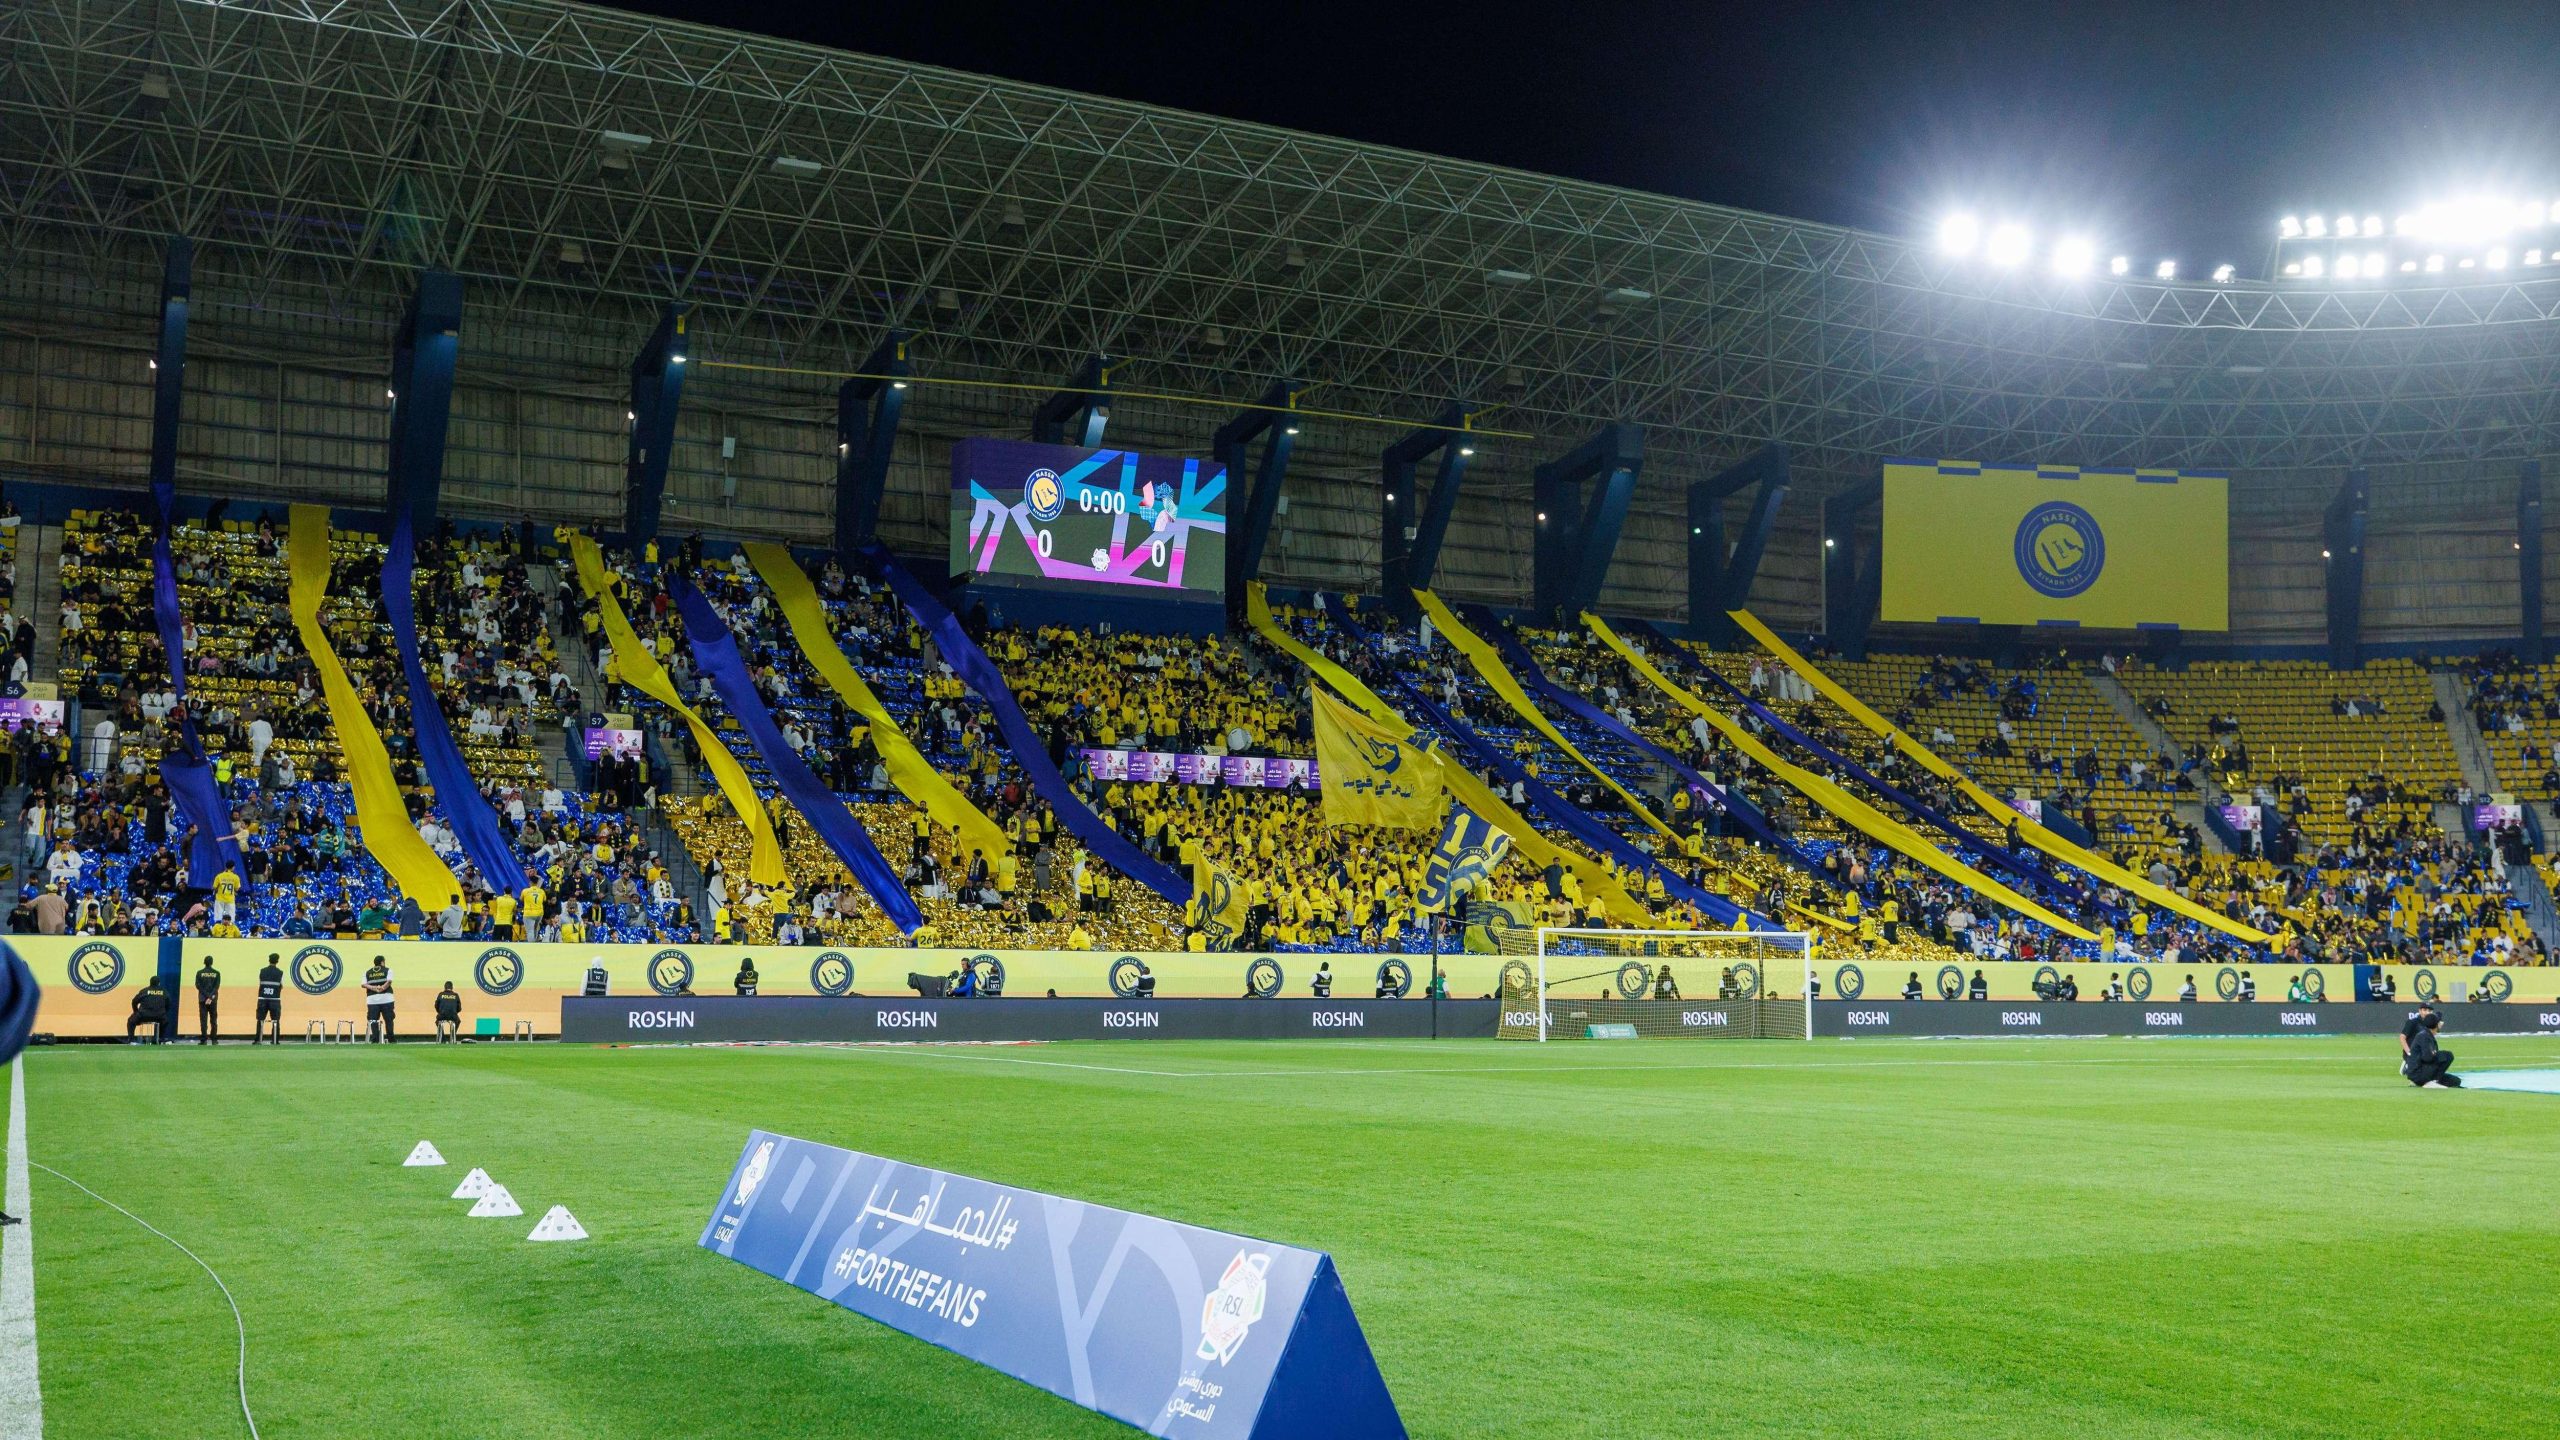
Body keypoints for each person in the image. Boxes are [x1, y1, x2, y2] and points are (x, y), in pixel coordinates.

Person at [2404, 1010, 2461, 1088]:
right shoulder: (2424, 1036)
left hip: (2420, 1071)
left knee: (2456, 1081)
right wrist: (2436, 1054)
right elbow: (2427, 1057)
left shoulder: (2426, 1034)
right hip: (2418, 1073)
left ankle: (2429, 1081)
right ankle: (2432, 1081)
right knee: (2448, 1055)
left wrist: (2434, 1054)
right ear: (2436, 1024)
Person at [362, 955, 395, 1043]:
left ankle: (375, 1040)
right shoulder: (388, 970)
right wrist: (382, 988)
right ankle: (391, 1040)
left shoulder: (367, 972)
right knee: (389, 1020)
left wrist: (374, 988)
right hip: (387, 999)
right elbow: (389, 981)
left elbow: (363, 984)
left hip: (372, 1000)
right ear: (382, 962)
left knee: (373, 1021)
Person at [127, 976, 170, 1043]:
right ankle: (161, 1039)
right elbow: (169, 1004)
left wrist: (136, 1011)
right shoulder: (164, 992)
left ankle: (131, 1040)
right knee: (165, 1021)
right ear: (159, 983)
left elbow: (134, 1001)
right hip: (159, 1017)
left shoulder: (144, 991)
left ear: (150, 983)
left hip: (143, 1016)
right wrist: (163, 1012)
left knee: (131, 1021)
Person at [254, 952, 284, 1044]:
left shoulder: (262, 971)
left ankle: (258, 1040)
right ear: (277, 961)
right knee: (275, 1020)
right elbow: (281, 986)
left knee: (260, 1020)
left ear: (269, 960)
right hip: (275, 1000)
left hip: (262, 999)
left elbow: (260, 983)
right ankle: (275, 1040)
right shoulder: (280, 973)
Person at [193, 953, 220, 1044]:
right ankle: (214, 1039)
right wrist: (210, 997)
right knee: (214, 1020)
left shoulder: (199, 973)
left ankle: (204, 1039)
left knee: (203, 1020)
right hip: (213, 999)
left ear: (204, 962)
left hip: (202, 999)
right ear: (212, 962)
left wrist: (206, 996)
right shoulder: (216, 973)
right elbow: (216, 987)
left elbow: (198, 986)